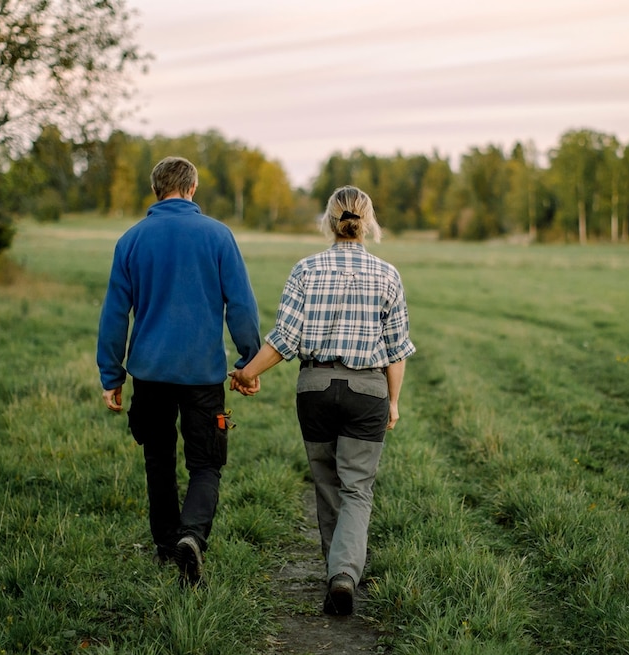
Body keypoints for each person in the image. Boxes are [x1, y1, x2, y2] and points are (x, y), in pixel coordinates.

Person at [229, 185, 416, 615]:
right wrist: (393, 401)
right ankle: (344, 575)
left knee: (327, 484)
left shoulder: (306, 270)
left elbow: (284, 339)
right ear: (367, 223)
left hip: (313, 388)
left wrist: (246, 374)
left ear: (329, 221)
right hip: (367, 389)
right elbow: (396, 350)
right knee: (358, 488)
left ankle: (337, 575)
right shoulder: (387, 275)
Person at [97, 156, 261, 587]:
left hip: (149, 373)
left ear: (157, 190)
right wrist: (249, 360)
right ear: (192, 188)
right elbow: (241, 305)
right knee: (206, 463)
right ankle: (192, 537)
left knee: (158, 459)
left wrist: (110, 376)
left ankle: (168, 545)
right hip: (202, 376)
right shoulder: (218, 235)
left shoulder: (131, 240)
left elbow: (115, 315)